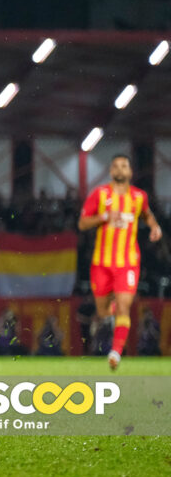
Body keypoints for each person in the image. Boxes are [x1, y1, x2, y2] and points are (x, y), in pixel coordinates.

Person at [78, 154, 163, 370]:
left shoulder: (139, 196)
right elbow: (83, 223)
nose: (120, 169)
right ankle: (112, 309)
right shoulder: (99, 194)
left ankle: (115, 352)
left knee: (125, 306)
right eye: (116, 165)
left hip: (128, 262)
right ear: (110, 171)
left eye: (124, 165)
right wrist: (105, 217)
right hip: (101, 263)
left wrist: (154, 226)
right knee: (104, 311)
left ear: (130, 172)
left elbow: (146, 214)